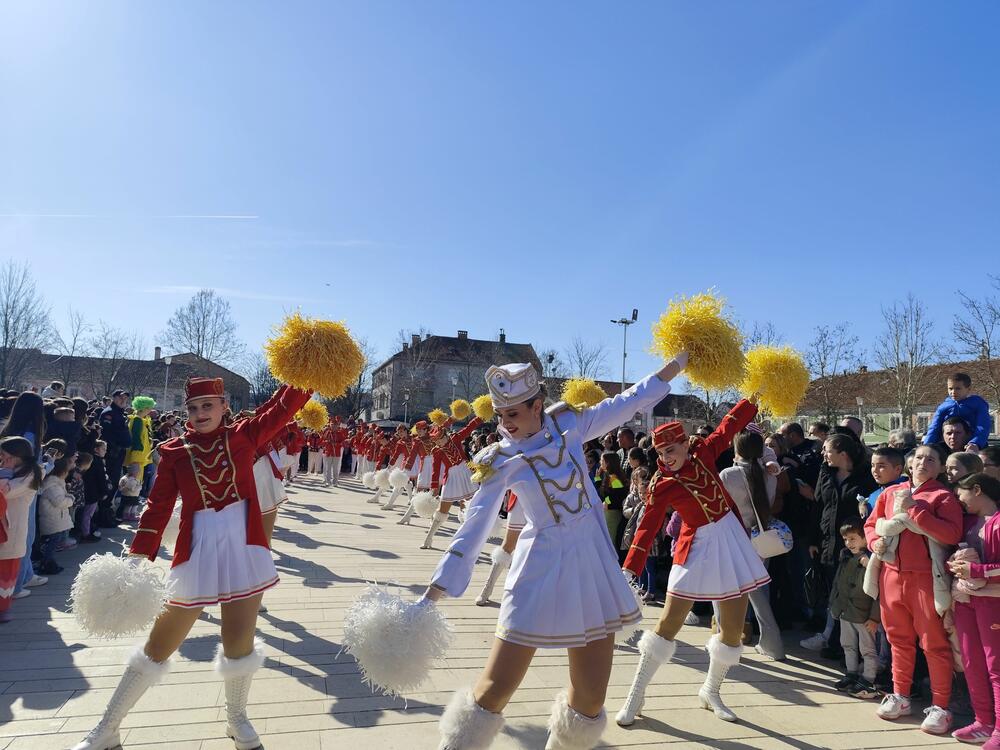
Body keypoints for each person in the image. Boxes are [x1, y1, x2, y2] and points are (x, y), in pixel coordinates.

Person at [425, 357, 684, 750]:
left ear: (536, 404)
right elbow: (474, 524)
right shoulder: (499, 458)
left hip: (591, 564)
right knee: (495, 689)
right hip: (540, 568)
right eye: (499, 414)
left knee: (590, 700)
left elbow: (627, 402)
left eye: (513, 412)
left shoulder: (569, 423)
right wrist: (435, 592)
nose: (505, 423)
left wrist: (675, 365)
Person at [70, 377, 310, 750]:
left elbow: (283, 407)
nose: (200, 414)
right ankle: (107, 727)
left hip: (244, 548)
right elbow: (158, 505)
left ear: (224, 405)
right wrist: (136, 557)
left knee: (238, 639)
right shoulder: (173, 451)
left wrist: (309, 371)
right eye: (194, 408)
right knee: (161, 642)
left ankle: (236, 719)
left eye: (208, 406)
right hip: (196, 550)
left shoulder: (246, 435)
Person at [617, 395, 769, 728]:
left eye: (670, 450)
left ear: (685, 444)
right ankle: (636, 693)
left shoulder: (704, 453)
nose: (665, 458)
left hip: (731, 542)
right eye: (659, 453)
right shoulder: (662, 485)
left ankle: (711, 691)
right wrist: (630, 568)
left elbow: (729, 425)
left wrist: (753, 399)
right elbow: (647, 526)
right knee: (667, 626)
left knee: (732, 631)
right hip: (695, 548)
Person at [865, 444, 962, 735]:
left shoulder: (943, 496)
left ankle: (941, 706)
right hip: (891, 575)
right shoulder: (889, 493)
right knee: (897, 640)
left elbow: (950, 534)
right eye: (919, 457)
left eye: (931, 459)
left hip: (925, 579)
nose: (923, 462)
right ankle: (900, 695)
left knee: (934, 644)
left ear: (940, 468)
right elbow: (871, 525)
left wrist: (914, 510)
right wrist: (873, 543)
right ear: (909, 463)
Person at [800, 434, 877, 652]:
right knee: (833, 592)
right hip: (827, 543)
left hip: (853, 545)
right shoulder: (826, 474)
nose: (823, 454)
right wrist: (813, 539)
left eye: (827, 450)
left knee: (850, 593)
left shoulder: (865, 478)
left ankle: (848, 646)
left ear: (843, 454)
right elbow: (818, 507)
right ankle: (832, 638)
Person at [719, 429, 785, 661]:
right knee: (757, 592)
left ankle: (725, 639)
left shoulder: (728, 474)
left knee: (725, 591)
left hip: (733, 537)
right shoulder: (769, 473)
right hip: (761, 539)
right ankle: (772, 642)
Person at [948, 473, 1000, 748]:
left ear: (977, 490)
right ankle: (983, 722)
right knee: (971, 662)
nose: (960, 500)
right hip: (967, 600)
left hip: (994, 603)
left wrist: (976, 570)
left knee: (996, 667)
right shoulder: (969, 522)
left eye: (962, 494)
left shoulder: (999, 521)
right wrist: (954, 564)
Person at [830, 519, 880, 699]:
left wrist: (875, 618)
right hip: (845, 611)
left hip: (863, 614)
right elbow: (837, 583)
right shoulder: (844, 557)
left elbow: (877, 592)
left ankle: (869, 679)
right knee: (848, 645)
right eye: (845, 539)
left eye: (853, 539)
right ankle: (851, 673)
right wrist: (834, 605)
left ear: (865, 539)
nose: (848, 543)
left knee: (867, 648)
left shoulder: (871, 561)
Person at [0, 437, 43, 623]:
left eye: (4, 454)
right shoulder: (9, 471)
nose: (1, 458)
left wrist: (5, 471)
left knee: (6, 573)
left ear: (17, 455)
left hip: (12, 531)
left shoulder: (31, 474)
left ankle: (3, 608)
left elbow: (6, 491)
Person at [423, 416, 483, 549]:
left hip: (466, 475)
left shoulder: (455, 438)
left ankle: (464, 541)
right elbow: (435, 470)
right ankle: (429, 538)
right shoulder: (437, 451)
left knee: (466, 508)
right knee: (442, 510)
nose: (439, 442)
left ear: (445, 435)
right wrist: (434, 488)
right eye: (436, 441)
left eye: (440, 439)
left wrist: (480, 417)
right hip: (451, 479)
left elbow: (469, 428)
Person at [924, 372, 992, 450]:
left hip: (973, 443)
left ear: (968, 389)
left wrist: (976, 443)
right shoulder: (943, 406)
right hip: (949, 444)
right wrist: (927, 445)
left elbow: (983, 426)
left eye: (958, 388)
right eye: (950, 388)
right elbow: (934, 428)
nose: (953, 392)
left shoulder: (978, 404)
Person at [99, 390, 131, 525]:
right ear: (114, 398)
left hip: (119, 452)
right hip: (112, 452)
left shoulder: (119, 412)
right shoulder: (109, 413)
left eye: (125, 398)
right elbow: (107, 433)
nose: (123, 400)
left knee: (114, 481)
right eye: (120, 397)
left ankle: (106, 512)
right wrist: (114, 447)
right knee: (110, 482)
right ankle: (103, 513)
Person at [37, 456, 73, 574]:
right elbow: (59, 502)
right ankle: (47, 563)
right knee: (51, 544)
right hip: (52, 520)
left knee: (54, 542)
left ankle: (48, 562)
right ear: (62, 471)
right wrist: (71, 499)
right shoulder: (52, 485)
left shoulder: (57, 483)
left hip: (56, 518)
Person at [598, 451, 629, 558]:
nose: (600, 462)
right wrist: (597, 477)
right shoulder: (609, 475)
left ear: (607, 462)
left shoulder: (613, 477)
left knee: (611, 540)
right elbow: (603, 492)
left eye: (602, 460)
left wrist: (607, 502)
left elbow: (616, 495)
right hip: (609, 512)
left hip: (612, 513)